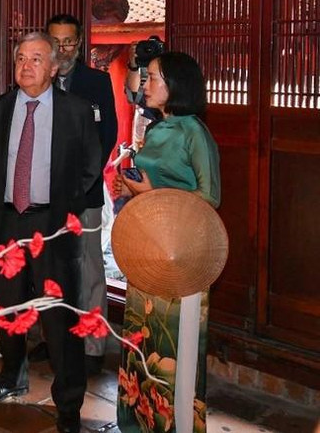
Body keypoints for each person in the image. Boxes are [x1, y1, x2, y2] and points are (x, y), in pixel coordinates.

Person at [0, 32, 101, 433]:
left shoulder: (76, 111)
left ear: (53, 67)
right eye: (19, 59)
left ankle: (68, 407)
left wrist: (64, 206)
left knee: (58, 317)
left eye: (35, 59)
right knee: (10, 308)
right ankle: (11, 376)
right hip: (9, 221)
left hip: (51, 226)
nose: (25, 66)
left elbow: (89, 167)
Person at [112, 51, 220, 433]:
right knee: (143, 334)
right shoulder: (156, 127)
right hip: (148, 245)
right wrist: (129, 186)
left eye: (154, 77)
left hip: (182, 250)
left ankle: (176, 425)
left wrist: (152, 192)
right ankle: (138, 420)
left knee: (176, 343)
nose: (146, 84)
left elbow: (210, 197)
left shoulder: (194, 131)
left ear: (176, 85)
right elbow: (148, 183)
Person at [47, 13, 118, 375]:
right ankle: (54, 339)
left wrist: (84, 181)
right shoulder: (36, 79)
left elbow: (108, 137)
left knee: (89, 268)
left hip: (85, 194)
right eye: (55, 42)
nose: (62, 49)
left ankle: (92, 347)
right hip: (45, 197)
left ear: (80, 44)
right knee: (50, 268)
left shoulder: (97, 82)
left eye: (69, 42)